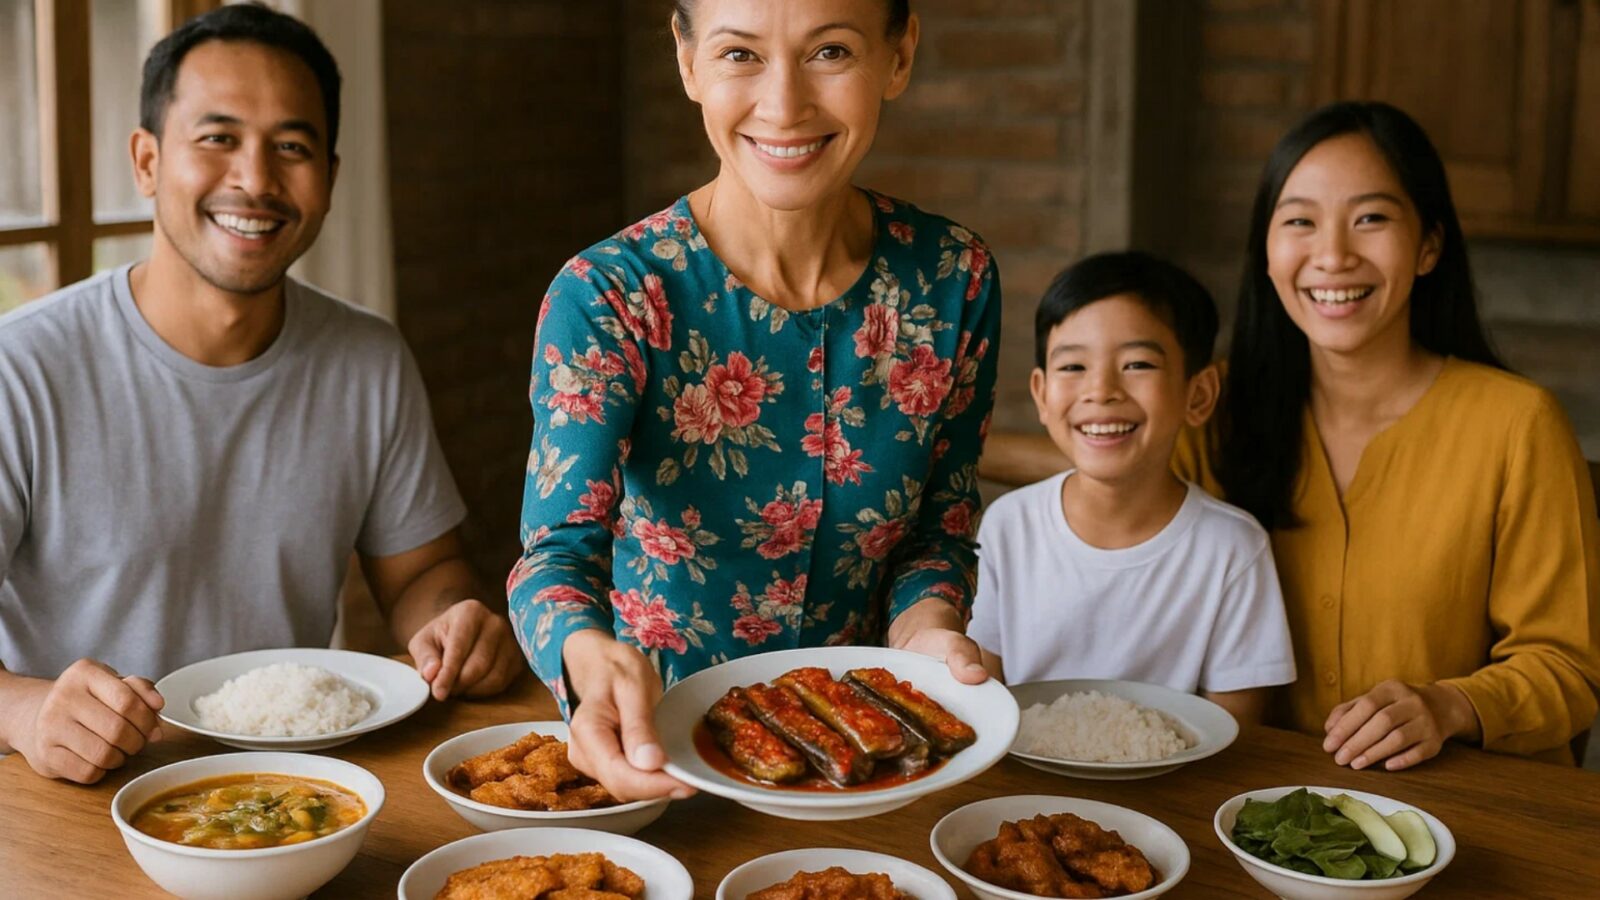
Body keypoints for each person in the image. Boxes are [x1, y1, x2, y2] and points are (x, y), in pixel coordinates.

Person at [0, 3, 520, 785]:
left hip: (296, 790)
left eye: (292, 146)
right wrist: (25, 712)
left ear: (331, 179)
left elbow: (422, 574)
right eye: (217, 138)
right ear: (146, 161)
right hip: (71, 803)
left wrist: (453, 624)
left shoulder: (366, 358)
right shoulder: (22, 366)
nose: (255, 179)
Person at [507, 0, 1000, 801]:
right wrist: (584, 656)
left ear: (899, 55)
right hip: (658, 757)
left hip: (872, 763)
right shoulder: (612, 295)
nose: (784, 106)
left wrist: (932, 628)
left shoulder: (954, 278)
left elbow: (937, 529)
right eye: (741, 55)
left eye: (830, 51)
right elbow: (554, 558)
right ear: (688, 61)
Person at [1176, 101, 1600, 768]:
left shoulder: (1518, 425)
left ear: (1429, 244)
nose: (1334, 255)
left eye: (1371, 218)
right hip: (1255, 814)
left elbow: (1568, 668)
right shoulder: (1211, 411)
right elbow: (1106, 471)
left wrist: (1452, 705)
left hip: (1467, 819)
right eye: (1299, 222)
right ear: (1267, 249)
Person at [966, 252, 1295, 724]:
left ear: (1197, 395)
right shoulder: (1008, 525)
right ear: (1041, 394)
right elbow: (985, 699)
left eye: (1138, 363)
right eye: (1073, 367)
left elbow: (1236, 730)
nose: (1101, 390)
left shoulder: (1233, 547)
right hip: (1024, 788)